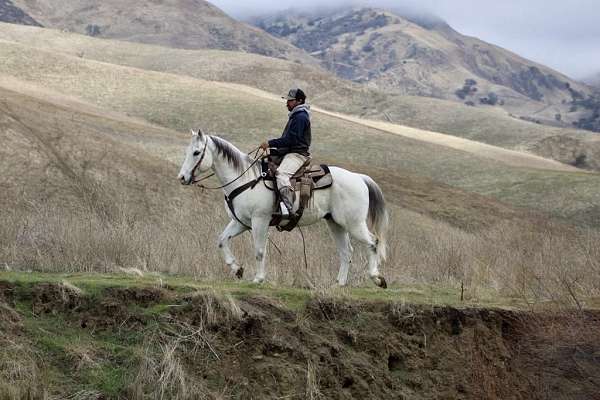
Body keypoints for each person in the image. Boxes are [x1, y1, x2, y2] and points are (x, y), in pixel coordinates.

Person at [260, 88, 311, 217]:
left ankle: (288, 208)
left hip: (297, 155)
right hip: (289, 152)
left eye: (290, 100)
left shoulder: (300, 117)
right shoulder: (296, 115)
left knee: (281, 175)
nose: (287, 103)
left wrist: (270, 143)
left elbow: (291, 140)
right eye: (287, 100)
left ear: (299, 101)